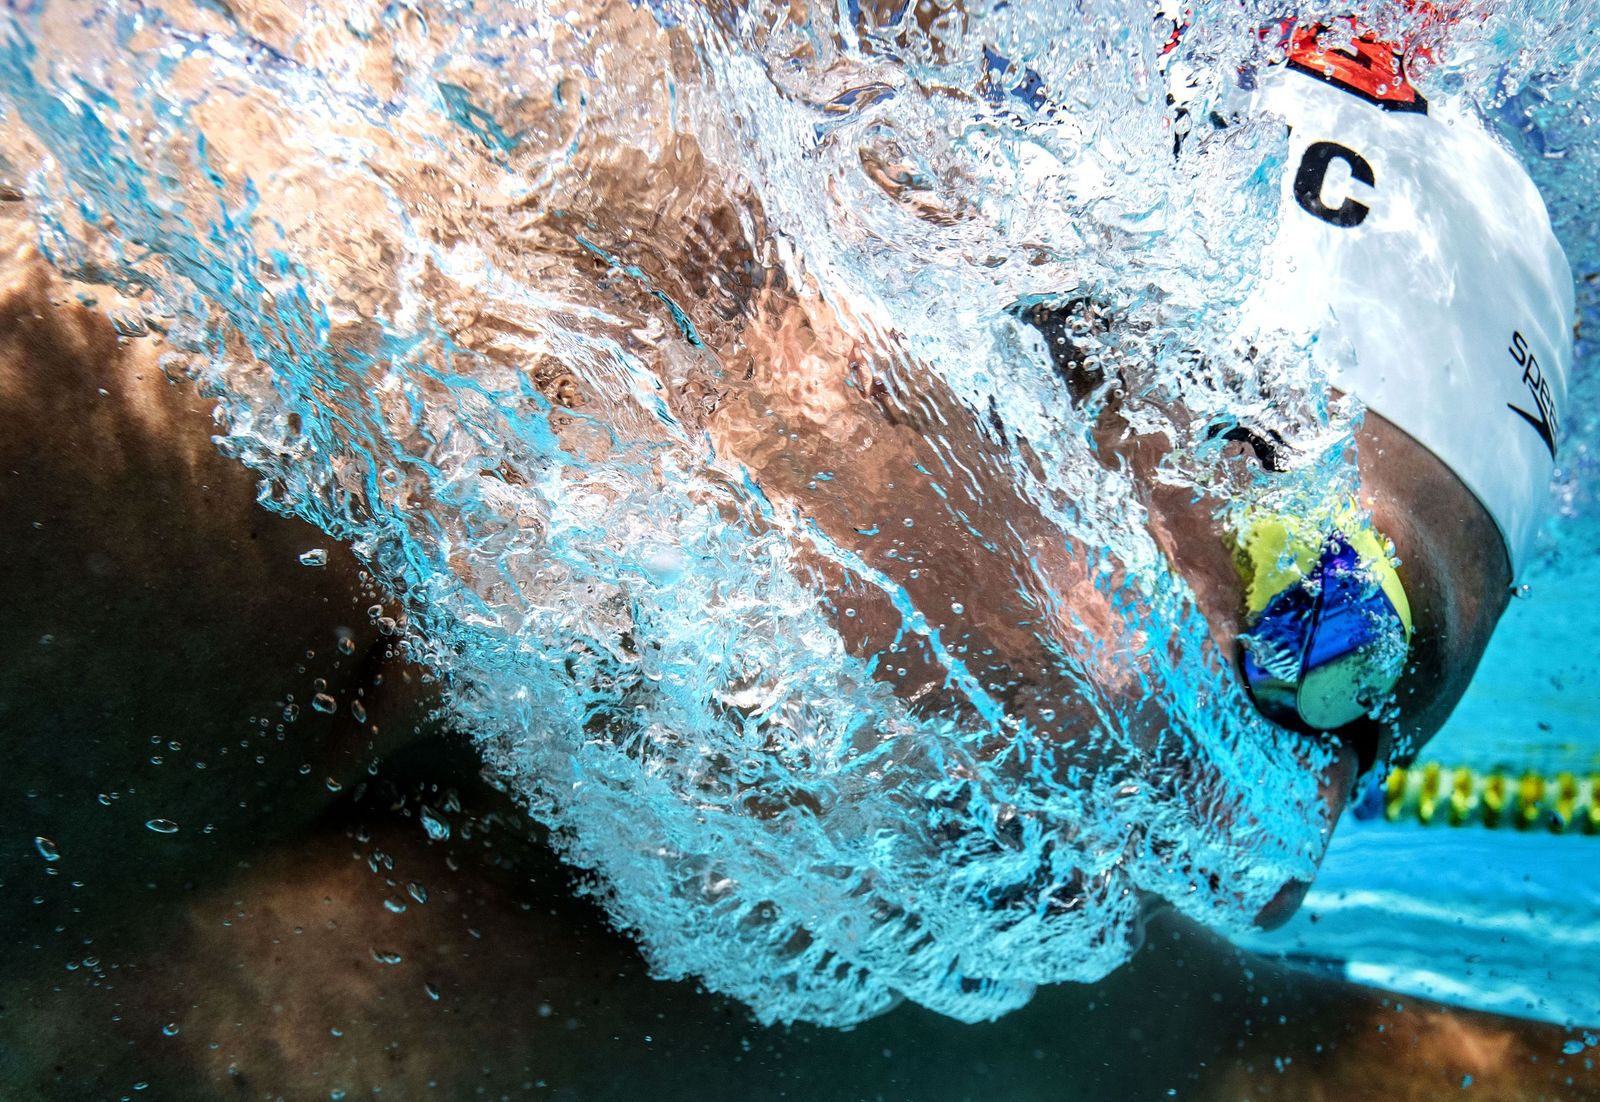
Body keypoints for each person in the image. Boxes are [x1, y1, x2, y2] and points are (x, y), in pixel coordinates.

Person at [0, 4, 1587, 1097]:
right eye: (1317, 641)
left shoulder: (1040, 956)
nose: (1283, 857)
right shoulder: (166, 346)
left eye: (1368, 743)